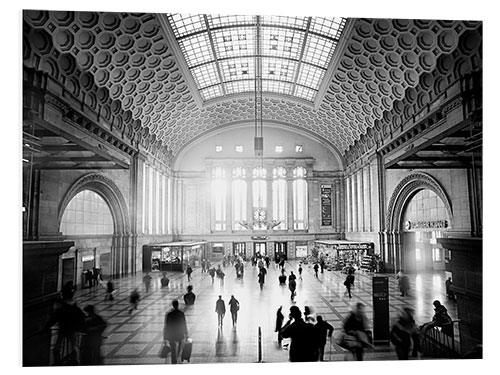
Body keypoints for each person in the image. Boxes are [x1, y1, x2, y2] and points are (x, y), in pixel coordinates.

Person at [163, 299, 188, 364]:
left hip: (172, 334)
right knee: (180, 344)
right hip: (179, 332)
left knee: (173, 347)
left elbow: (166, 325)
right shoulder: (181, 313)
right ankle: (178, 355)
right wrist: (186, 333)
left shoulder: (169, 314)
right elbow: (184, 323)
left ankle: (174, 359)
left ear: (173, 305)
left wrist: (165, 336)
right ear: (178, 305)